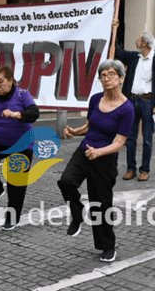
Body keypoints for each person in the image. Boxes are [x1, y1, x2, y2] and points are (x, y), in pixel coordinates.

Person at [57, 59, 134, 263]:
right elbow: (90, 125)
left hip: (104, 159)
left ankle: (107, 246)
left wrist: (99, 153)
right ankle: (77, 212)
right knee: (65, 181)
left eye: (111, 74)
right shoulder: (95, 99)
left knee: (100, 204)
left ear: (120, 78)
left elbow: (119, 142)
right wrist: (75, 131)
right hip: (85, 151)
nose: (107, 78)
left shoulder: (127, 108)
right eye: (103, 75)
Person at [0, 65, 40, 230]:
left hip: (21, 143)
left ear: (11, 80)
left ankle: (13, 217)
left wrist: (15, 114)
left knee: (16, 182)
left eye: (1, 81)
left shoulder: (22, 95)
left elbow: (34, 113)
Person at [115, 31, 155, 182]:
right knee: (130, 137)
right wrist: (115, 30)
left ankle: (145, 170)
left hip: (147, 102)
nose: (136, 41)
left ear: (144, 43)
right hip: (131, 101)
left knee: (147, 138)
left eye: (138, 39)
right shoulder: (134, 57)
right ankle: (131, 169)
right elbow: (118, 52)